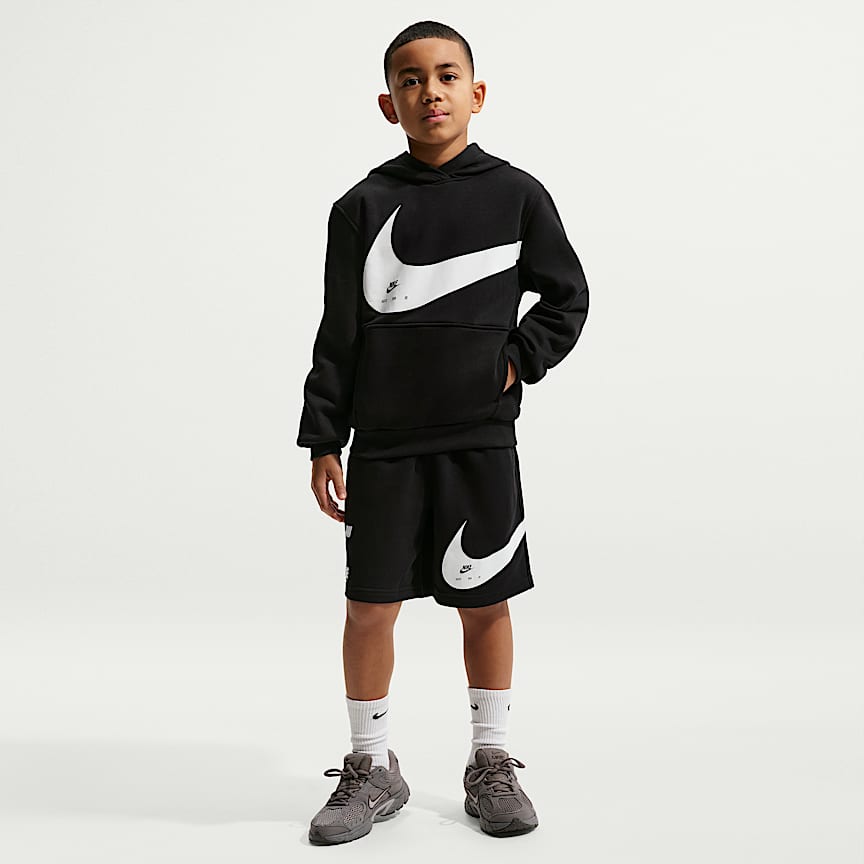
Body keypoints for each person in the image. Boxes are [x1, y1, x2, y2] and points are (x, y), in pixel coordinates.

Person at [296, 19, 589, 845]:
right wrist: (324, 438)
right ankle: (372, 766)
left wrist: (516, 360)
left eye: (447, 75)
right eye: (411, 79)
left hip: (479, 441)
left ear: (476, 93)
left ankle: (490, 760)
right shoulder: (361, 206)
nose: (430, 91)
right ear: (388, 104)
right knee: (368, 607)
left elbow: (568, 296)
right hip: (385, 446)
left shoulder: (517, 195)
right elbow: (338, 334)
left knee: (485, 601)